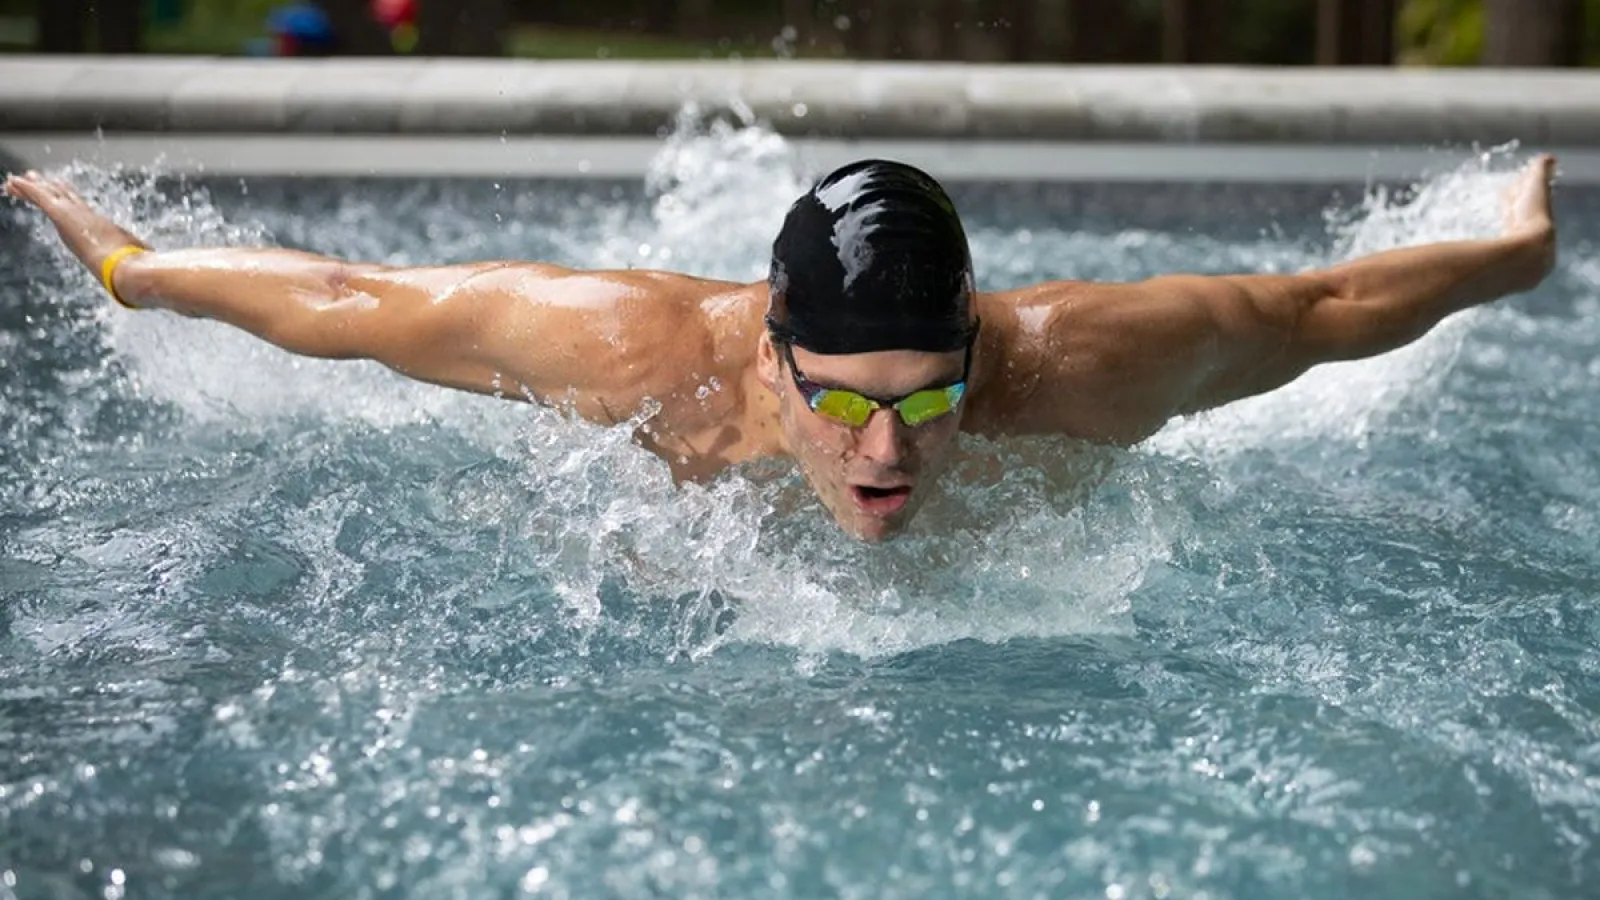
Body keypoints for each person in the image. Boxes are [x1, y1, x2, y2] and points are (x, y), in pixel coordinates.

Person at [3, 156, 1558, 541]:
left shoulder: (1078, 363)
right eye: (850, 409)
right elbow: (349, 302)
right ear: (770, 359)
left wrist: (1512, 252)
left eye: (929, 404)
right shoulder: (633, 353)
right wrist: (133, 265)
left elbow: (1324, 308)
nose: (891, 456)